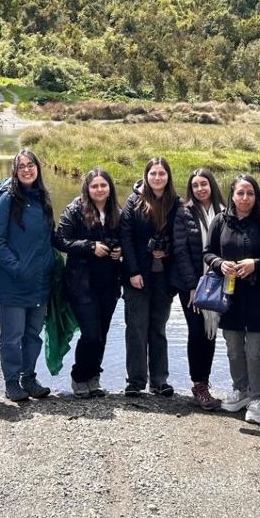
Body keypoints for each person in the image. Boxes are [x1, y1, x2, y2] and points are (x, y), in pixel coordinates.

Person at [203, 174, 260, 424]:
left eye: (250, 193)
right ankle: (240, 390)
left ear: (256, 196)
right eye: (240, 193)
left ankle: (258, 399)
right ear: (232, 195)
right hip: (230, 295)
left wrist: (255, 264)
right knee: (234, 348)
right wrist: (219, 264)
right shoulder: (220, 221)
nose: (245, 198)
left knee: (256, 350)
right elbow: (208, 252)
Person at [0, 150, 56, 402]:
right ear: (14, 171)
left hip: (40, 282)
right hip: (12, 283)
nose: (27, 170)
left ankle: (29, 377)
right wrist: (18, 268)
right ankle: (11, 382)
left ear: (38, 168)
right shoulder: (6, 199)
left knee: (33, 334)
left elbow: (49, 238)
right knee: (11, 336)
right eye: (21, 166)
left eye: (31, 165)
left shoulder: (43, 198)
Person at [55, 168, 125, 399]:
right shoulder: (75, 210)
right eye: (94, 186)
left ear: (110, 188)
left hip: (109, 283)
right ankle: (79, 377)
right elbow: (60, 240)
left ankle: (94, 377)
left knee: (102, 334)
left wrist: (120, 252)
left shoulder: (117, 210)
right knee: (91, 334)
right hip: (81, 283)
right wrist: (89, 246)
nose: (99, 190)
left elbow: (126, 240)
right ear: (87, 188)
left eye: (103, 185)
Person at [120, 157, 181, 397]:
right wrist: (133, 271)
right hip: (137, 276)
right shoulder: (133, 202)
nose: (157, 178)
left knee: (158, 328)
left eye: (162, 173)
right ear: (146, 176)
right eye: (153, 173)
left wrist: (167, 250)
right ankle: (135, 381)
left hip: (163, 277)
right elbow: (126, 238)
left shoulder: (176, 203)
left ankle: (159, 380)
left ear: (168, 176)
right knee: (135, 328)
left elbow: (182, 237)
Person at [174, 169, 226, 410]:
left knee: (211, 333)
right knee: (197, 333)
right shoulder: (184, 213)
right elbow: (181, 251)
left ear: (211, 186)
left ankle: (206, 383)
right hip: (194, 285)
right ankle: (199, 385)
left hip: (221, 282)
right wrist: (193, 286)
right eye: (195, 186)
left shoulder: (226, 212)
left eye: (204, 184)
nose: (200, 189)